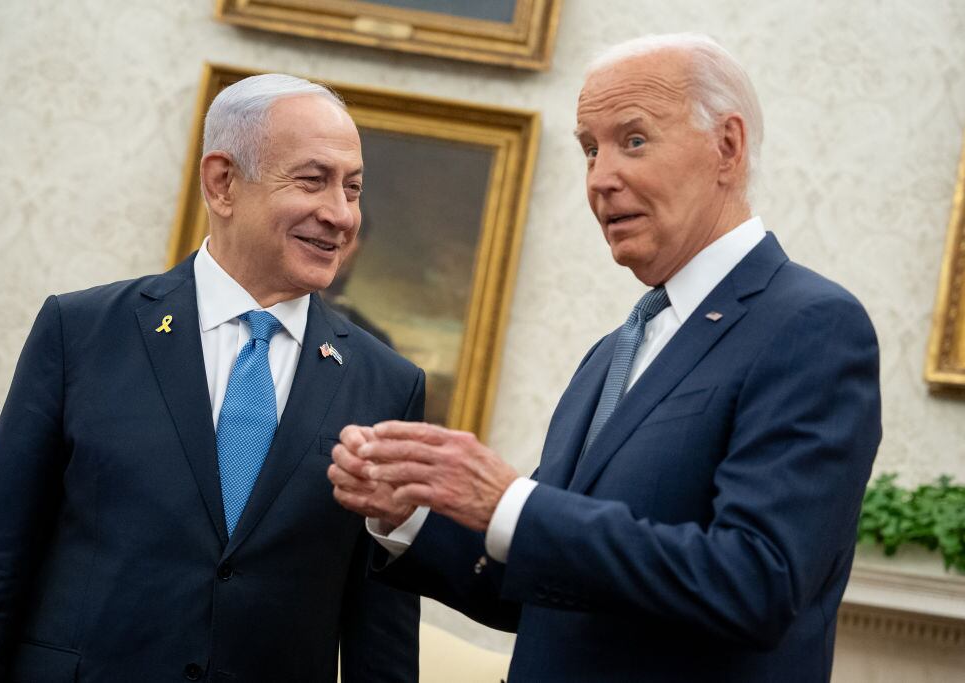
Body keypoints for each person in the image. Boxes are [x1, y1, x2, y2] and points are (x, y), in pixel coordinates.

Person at [330, 33, 882, 682]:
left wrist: (510, 501)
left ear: (726, 147)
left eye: (634, 140)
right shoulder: (613, 351)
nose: (601, 178)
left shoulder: (813, 325)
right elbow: (537, 588)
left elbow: (755, 581)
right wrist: (411, 509)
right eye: (590, 149)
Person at [0, 74, 423, 682]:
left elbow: (380, 631)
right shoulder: (82, 332)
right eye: (313, 181)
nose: (340, 214)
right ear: (223, 183)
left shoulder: (387, 383)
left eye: (353, 189)